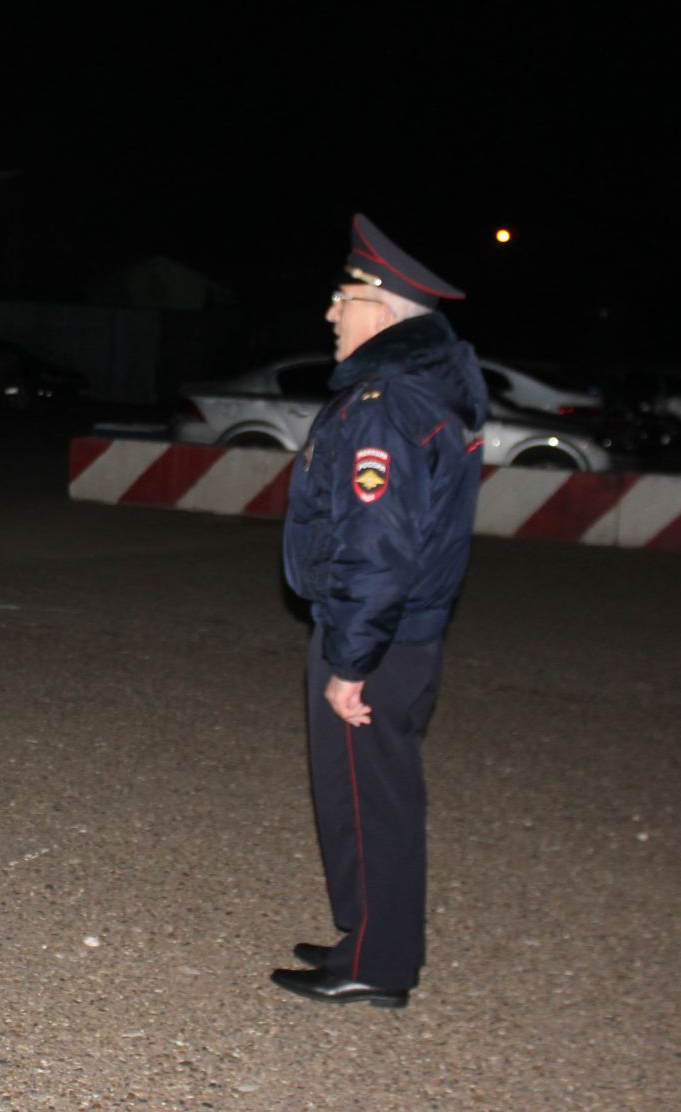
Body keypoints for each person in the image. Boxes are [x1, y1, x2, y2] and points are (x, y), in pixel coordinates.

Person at [273, 213, 487, 1009]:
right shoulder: (419, 389)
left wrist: (351, 663)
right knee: (363, 795)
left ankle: (377, 961)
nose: (331, 313)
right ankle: (366, 933)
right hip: (395, 630)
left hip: (378, 637)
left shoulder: (386, 401)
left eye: (344, 297)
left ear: (384, 309)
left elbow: (379, 543)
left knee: (371, 799)